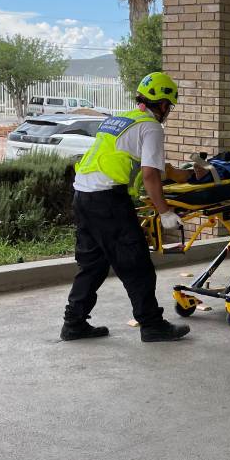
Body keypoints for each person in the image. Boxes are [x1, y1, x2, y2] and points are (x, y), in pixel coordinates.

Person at [60, 72, 191, 343]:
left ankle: (73, 323)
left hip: (83, 195)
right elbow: (150, 175)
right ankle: (152, 324)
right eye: (169, 106)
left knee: (93, 265)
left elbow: (153, 166)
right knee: (137, 264)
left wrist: (185, 174)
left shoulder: (122, 119)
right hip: (107, 200)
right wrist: (165, 212)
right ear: (164, 104)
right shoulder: (152, 127)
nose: (168, 111)